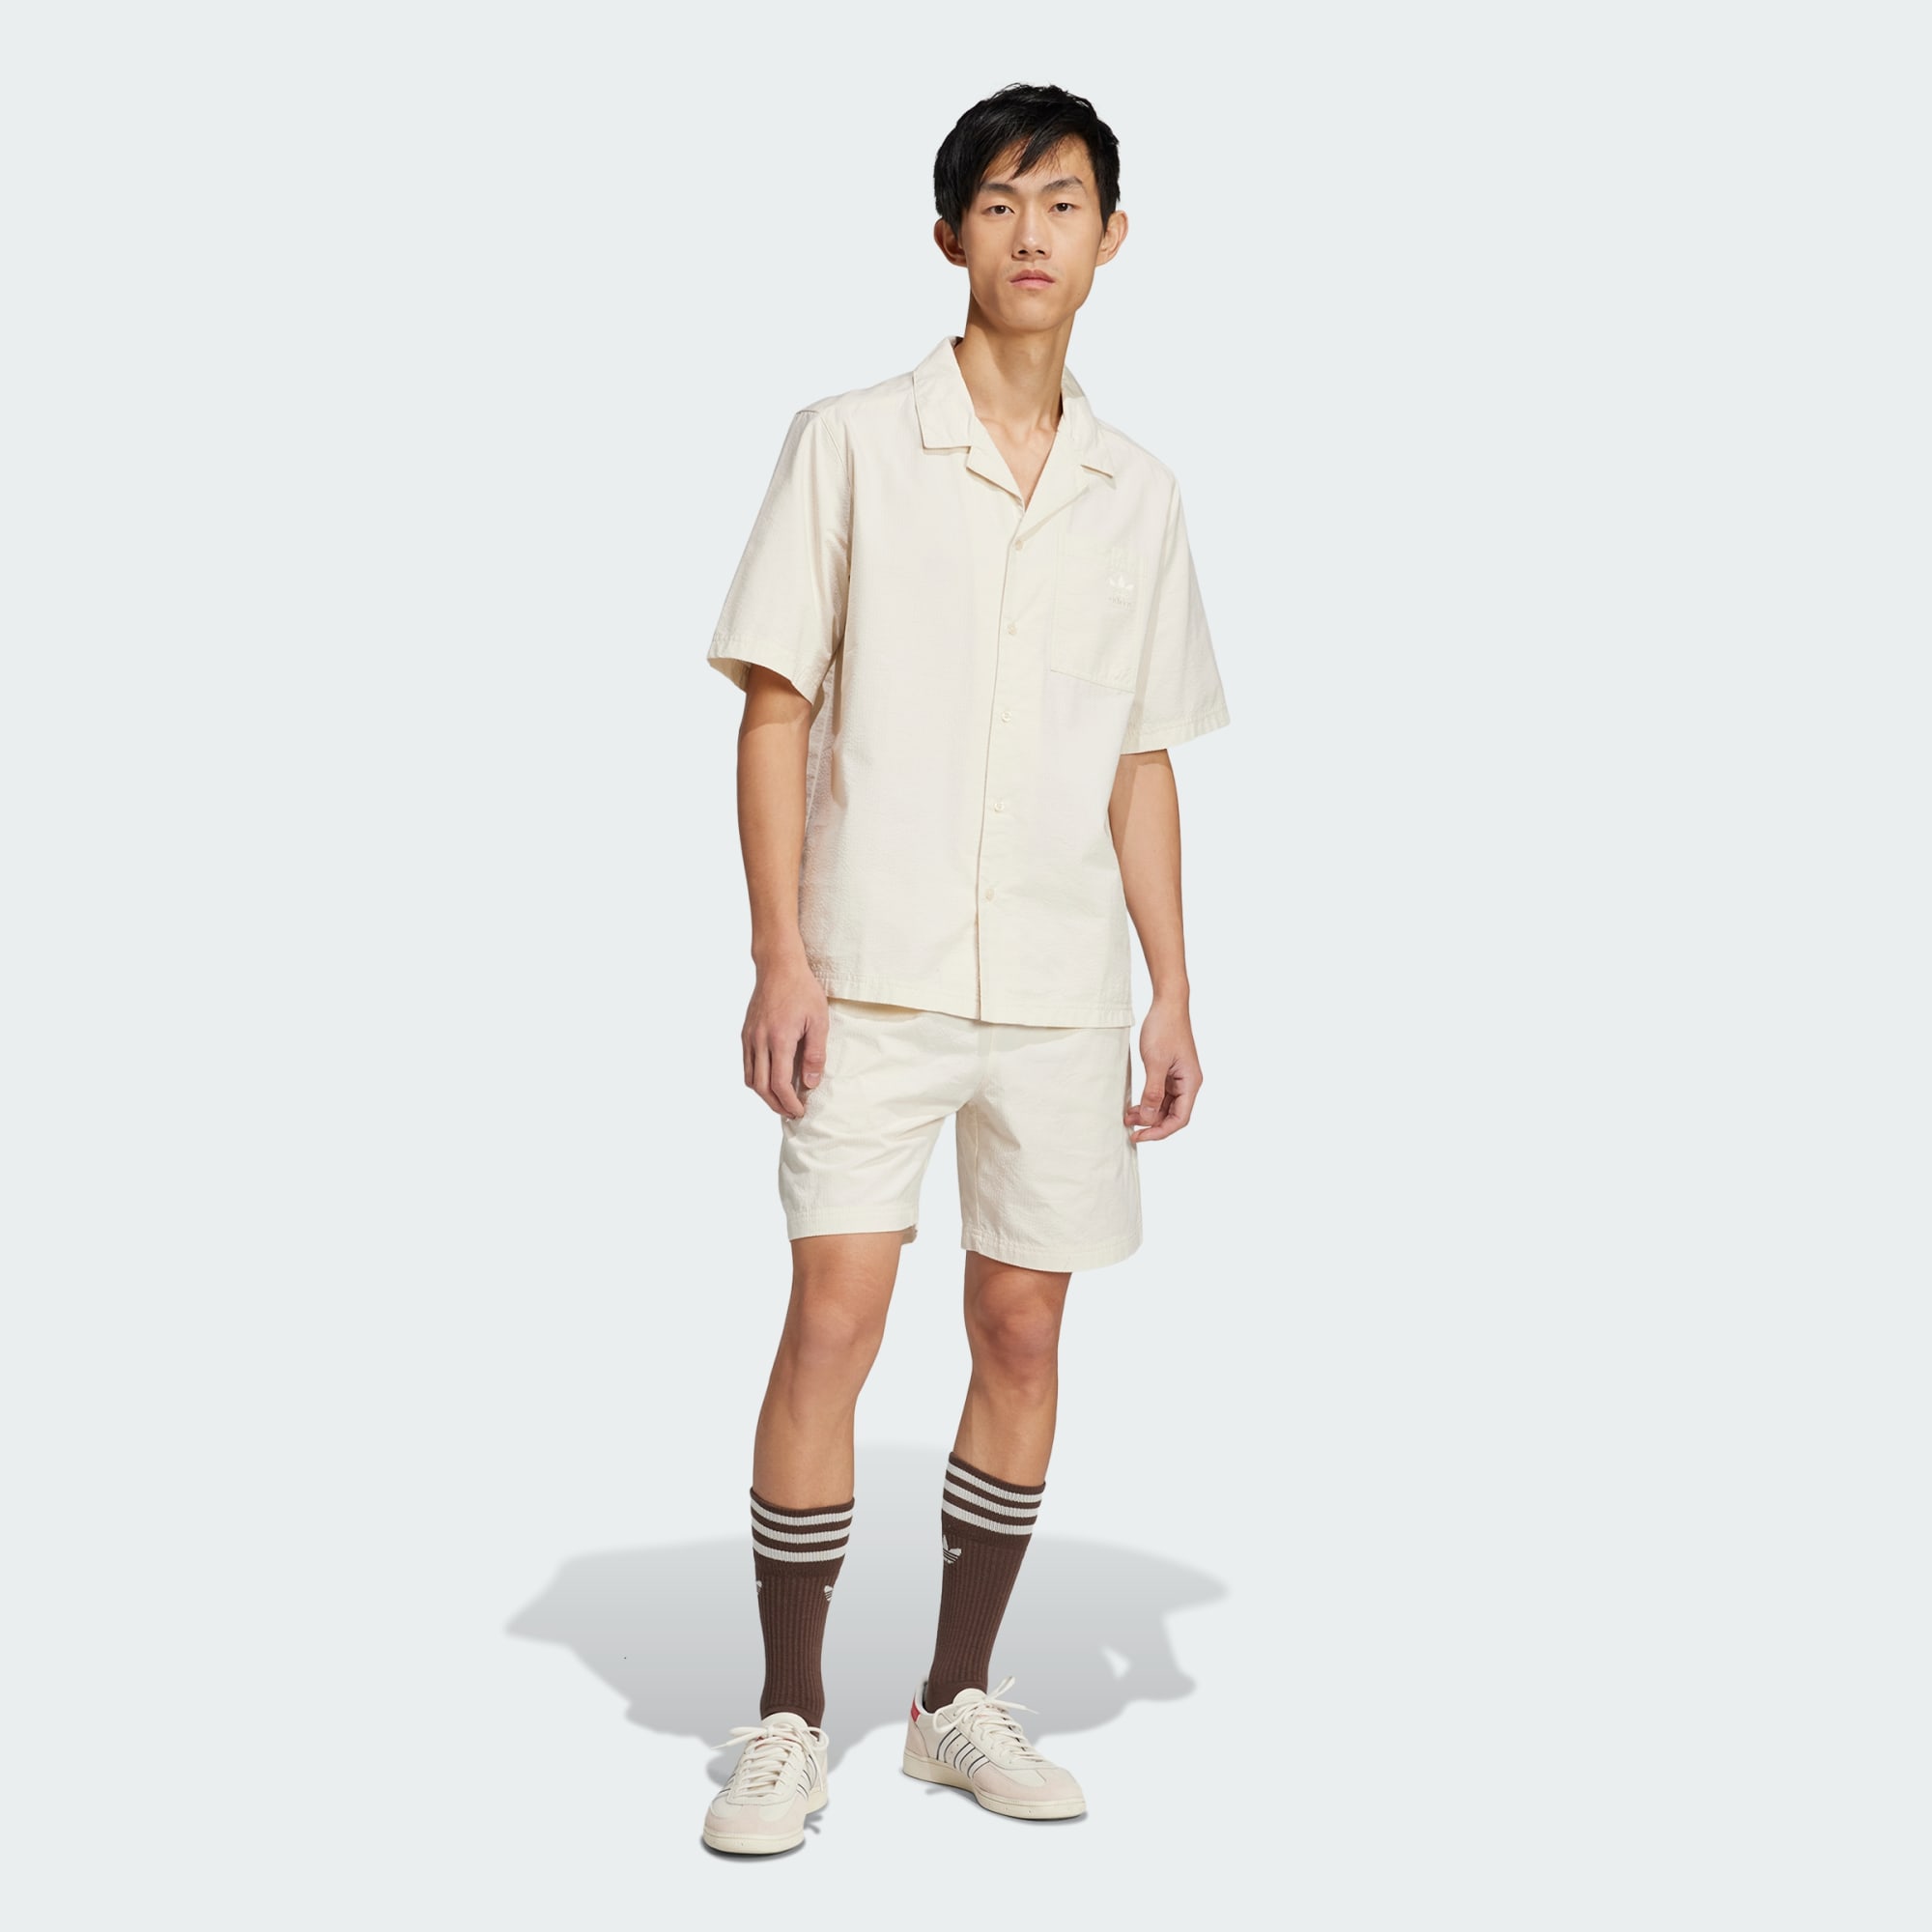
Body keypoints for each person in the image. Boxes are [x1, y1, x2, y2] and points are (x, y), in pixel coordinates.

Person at [697, 81, 1231, 1856]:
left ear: (1112, 238)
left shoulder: (1138, 494)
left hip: (1064, 989)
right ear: (949, 236)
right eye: (999, 203)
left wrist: (1172, 987)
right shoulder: (851, 443)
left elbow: (1141, 756)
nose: (1030, 234)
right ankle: (788, 1717)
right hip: (871, 971)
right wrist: (780, 954)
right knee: (834, 1318)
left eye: (1062, 203)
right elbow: (776, 708)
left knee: (1022, 1324)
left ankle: (954, 1705)